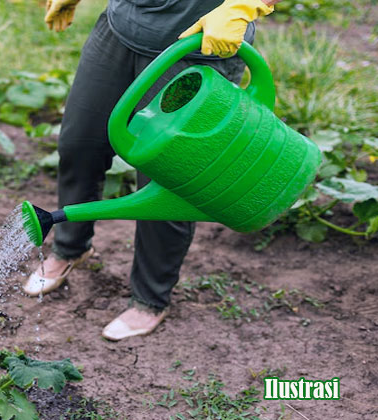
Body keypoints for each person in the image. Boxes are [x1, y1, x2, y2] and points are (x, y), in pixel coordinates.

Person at [24, 0, 280, 341]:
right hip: (122, 27)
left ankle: (150, 298)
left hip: (199, 42)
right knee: (79, 145)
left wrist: (245, 5)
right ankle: (71, 248)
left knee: (167, 179)